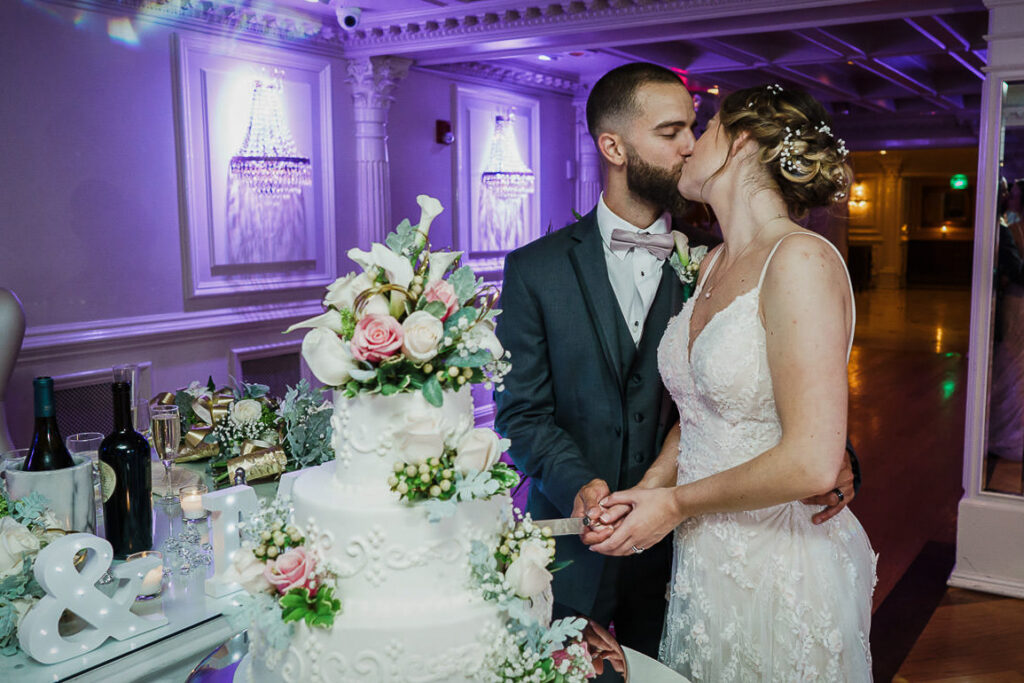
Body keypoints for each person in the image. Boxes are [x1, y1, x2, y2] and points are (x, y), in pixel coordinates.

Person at [493, 63, 859, 664]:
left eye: (698, 127)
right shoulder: (698, 263)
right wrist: (589, 486)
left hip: (700, 550)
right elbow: (524, 411)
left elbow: (786, 407)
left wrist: (832, 454)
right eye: (672, 131)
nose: (690, 144)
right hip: (593, 542)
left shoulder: (719, 258)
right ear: (613, 147)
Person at [587, 84, 876, 680]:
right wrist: (646, 491)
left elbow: (814, 464)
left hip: (781, 558)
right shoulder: (713, 261)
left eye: (708, 126)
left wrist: (673, 504)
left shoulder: (800, 260)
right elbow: (699, 413)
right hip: (706, 555)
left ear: (740, 142)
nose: (690, 145)